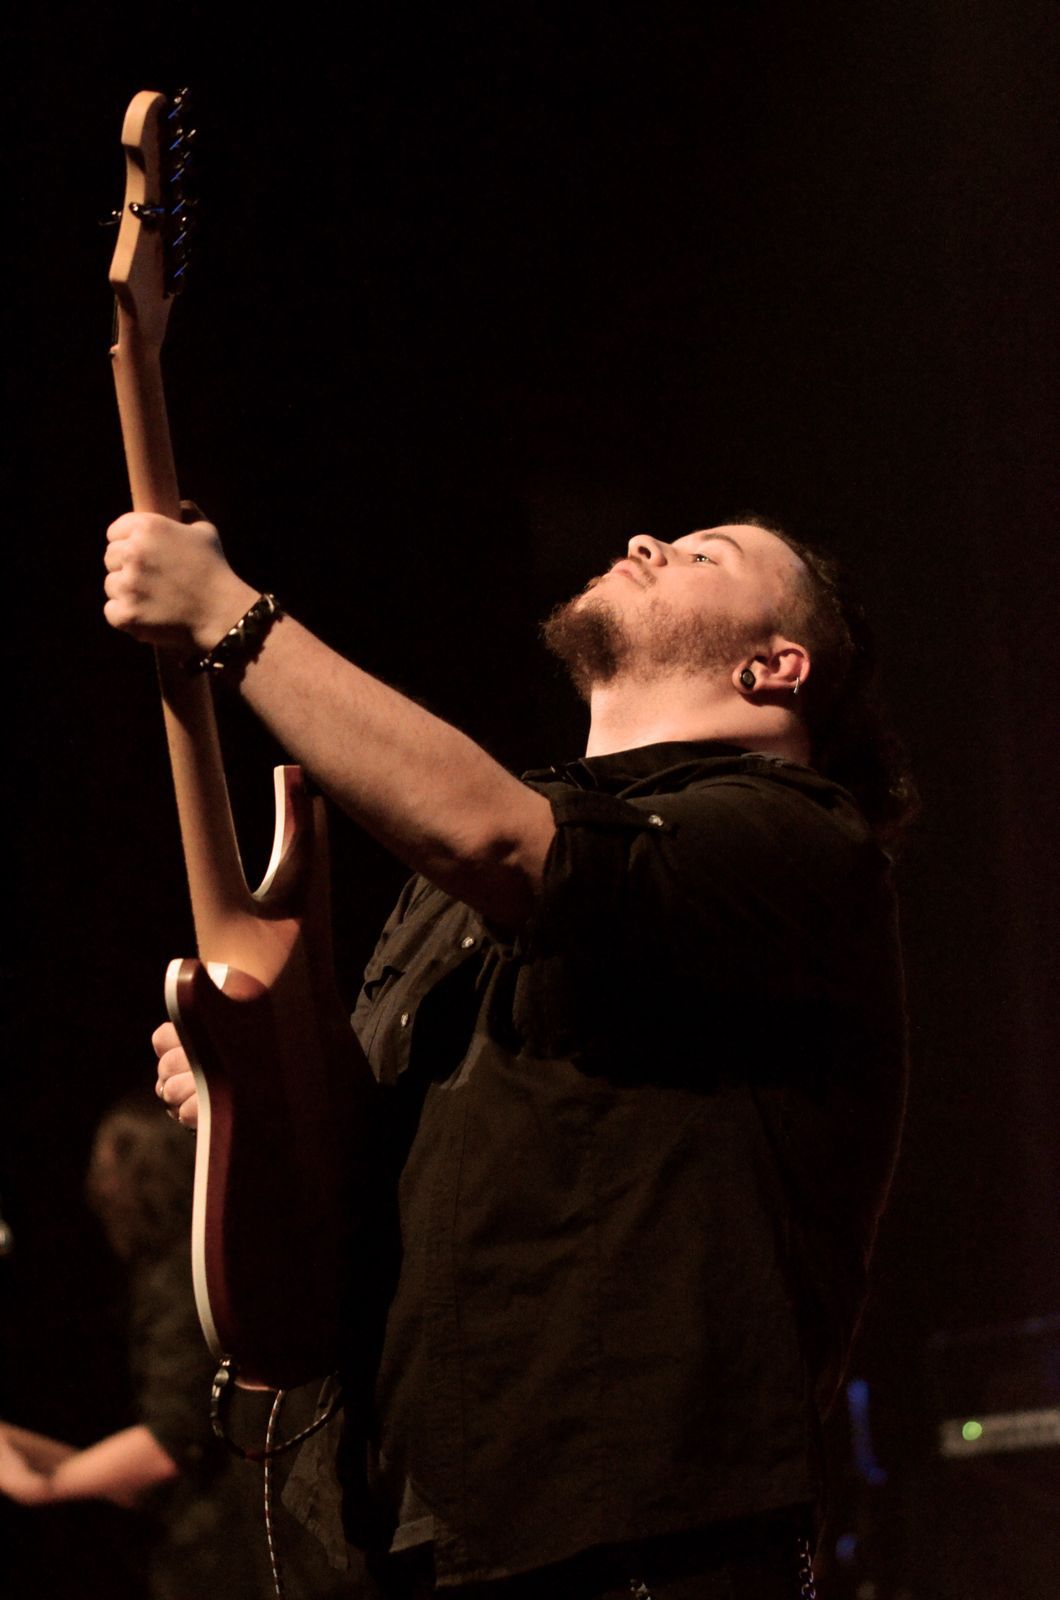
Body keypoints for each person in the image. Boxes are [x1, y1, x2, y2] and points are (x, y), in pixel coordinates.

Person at [103, 511, 911, 1598]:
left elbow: (497, 837)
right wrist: (255, 1098)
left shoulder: (796, 834)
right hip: (422, 1528)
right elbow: (365, 1171)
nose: (647, 542)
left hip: (641, 1540)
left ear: (773, 667)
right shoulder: (454, 893)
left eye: (704, 554)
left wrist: (229, 618)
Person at [0, 1093, 278, 1598]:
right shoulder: (175, 1270)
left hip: (218, 1556)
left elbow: (170, 1444)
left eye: (112, 1169)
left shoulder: (182, 1281)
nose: (98, 1188)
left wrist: (45, 1485)